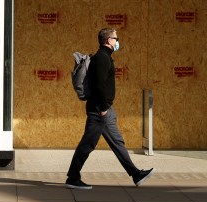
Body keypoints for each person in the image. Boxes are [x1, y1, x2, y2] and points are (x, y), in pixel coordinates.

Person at [66, 27, 154, 189]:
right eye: (116, 39)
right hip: (99, 109)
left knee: (117, 142)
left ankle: (135, 174)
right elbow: (99, 85)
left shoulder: (105, 57)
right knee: (88, 143)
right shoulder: (101, 58)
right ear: (108, 40)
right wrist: (103, 107)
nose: (117, 41)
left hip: (105, 109)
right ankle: (72, 177)